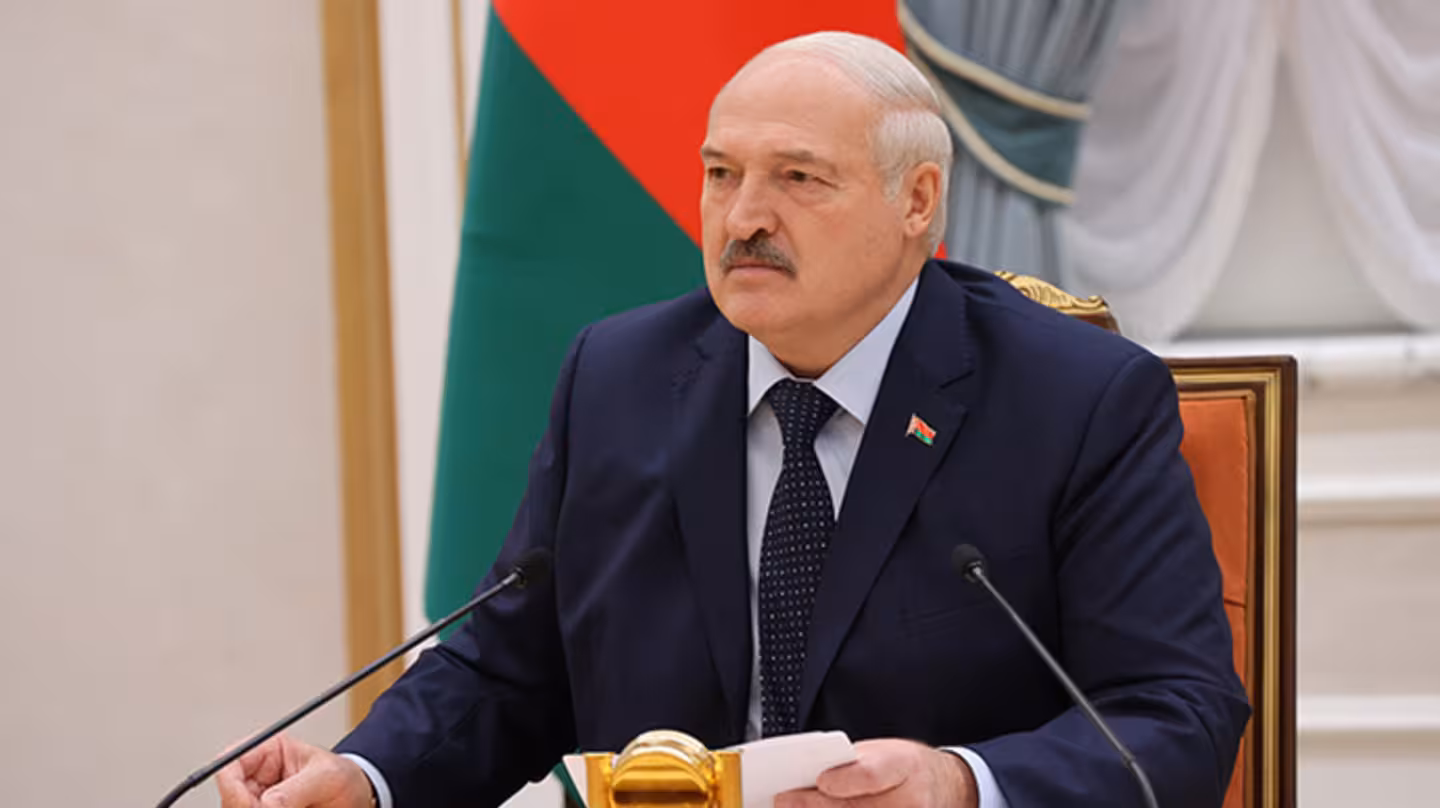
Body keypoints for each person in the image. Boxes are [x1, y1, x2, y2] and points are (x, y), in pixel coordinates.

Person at [218, 32, 1248, 808]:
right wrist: (365, 776)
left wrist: (960, 784)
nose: (744, 217)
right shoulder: (618, 377)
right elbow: (507, 669)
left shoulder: (1075, 398)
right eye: (721, 174)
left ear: (918, 201)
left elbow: (1175, 716)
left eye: (798, 178)